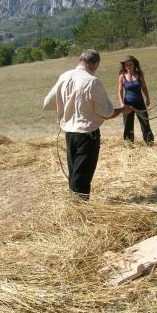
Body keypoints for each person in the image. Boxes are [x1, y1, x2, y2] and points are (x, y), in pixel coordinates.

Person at [43, 49, 131, 200]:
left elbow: (47, 104)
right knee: (82, 178)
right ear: (95, 64)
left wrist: (66, 107)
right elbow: (107, 113)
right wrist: (123, 109)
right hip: (87, 137)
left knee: (74, 173)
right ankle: (78, 212)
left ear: (79, 59)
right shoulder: (92, 81)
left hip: (69, 135)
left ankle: (73, 207)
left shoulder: (64, 77)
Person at [117, 55, 155, 146]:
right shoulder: (122, 76)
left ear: (134, 65)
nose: (128, 67)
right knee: (128, 125)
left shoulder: (139, 74)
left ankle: (150, 143)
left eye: (130, 64)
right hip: (127, 105)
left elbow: (144, 87)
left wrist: (148, 98)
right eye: (126, 65)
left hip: (140, 103)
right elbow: (119, 90)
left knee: (145, 123)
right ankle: (129, 144)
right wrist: (122, 103)